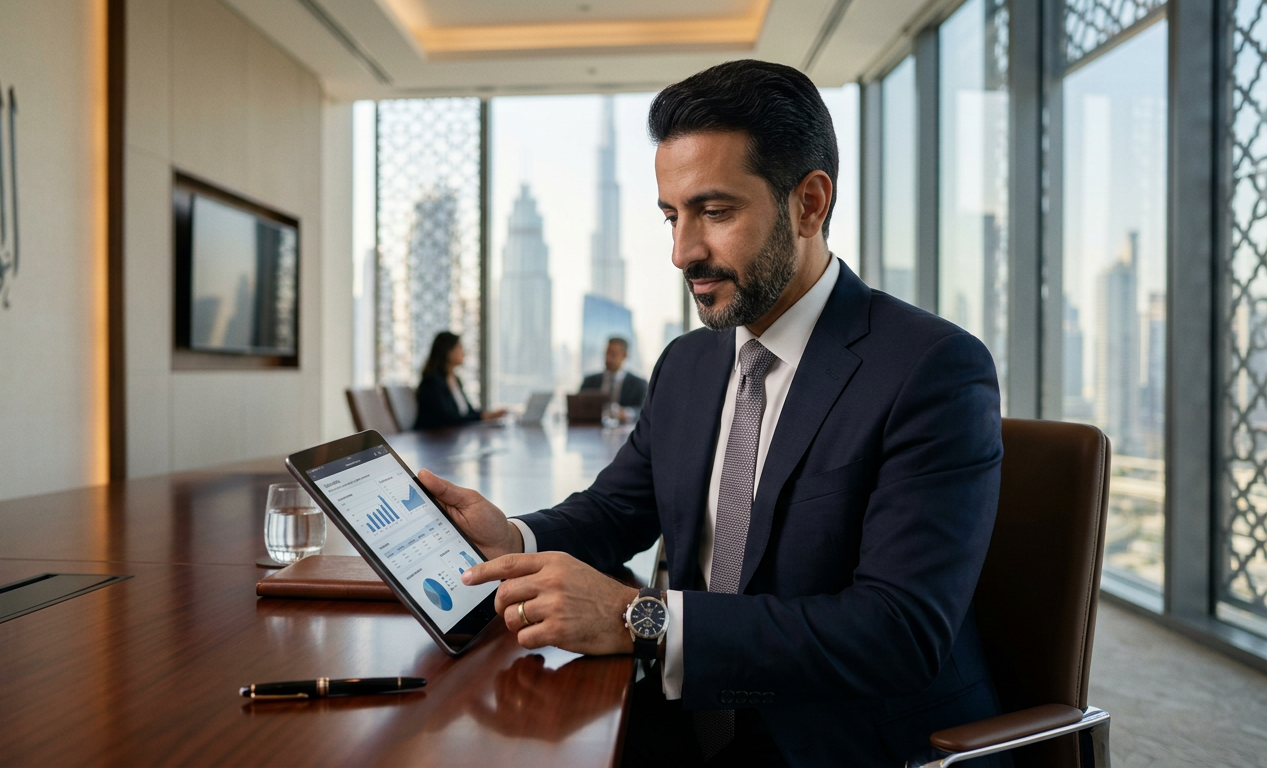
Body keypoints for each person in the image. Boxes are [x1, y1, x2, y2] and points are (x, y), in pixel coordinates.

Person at [418, 60, 1007, 767]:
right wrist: (511, 533)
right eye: (672, 215)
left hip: (842, 742)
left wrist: (636, 620)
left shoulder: (931, 368)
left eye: (715, 212)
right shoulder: (689, 365)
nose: (682, 251)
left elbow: (896, 632)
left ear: (809, 204)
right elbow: (615, 513)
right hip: (682, 722)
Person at [414, 331, 505, 430]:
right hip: (433, 438)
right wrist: (482, 417)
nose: (463, 352)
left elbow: (467, 412)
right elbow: (447, 418)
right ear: (448, 352)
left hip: (453, 434)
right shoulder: (433, 381)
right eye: (459, 347)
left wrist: (488, 415)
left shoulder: (455, 379)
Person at [579, 337, 648, 409]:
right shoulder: (589, 381)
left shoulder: (638, 384)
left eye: (613, 354)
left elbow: (643, 410)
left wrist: (627, 413)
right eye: (606, 353)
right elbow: (578, 406)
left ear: (624, 355)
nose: (608, 358)